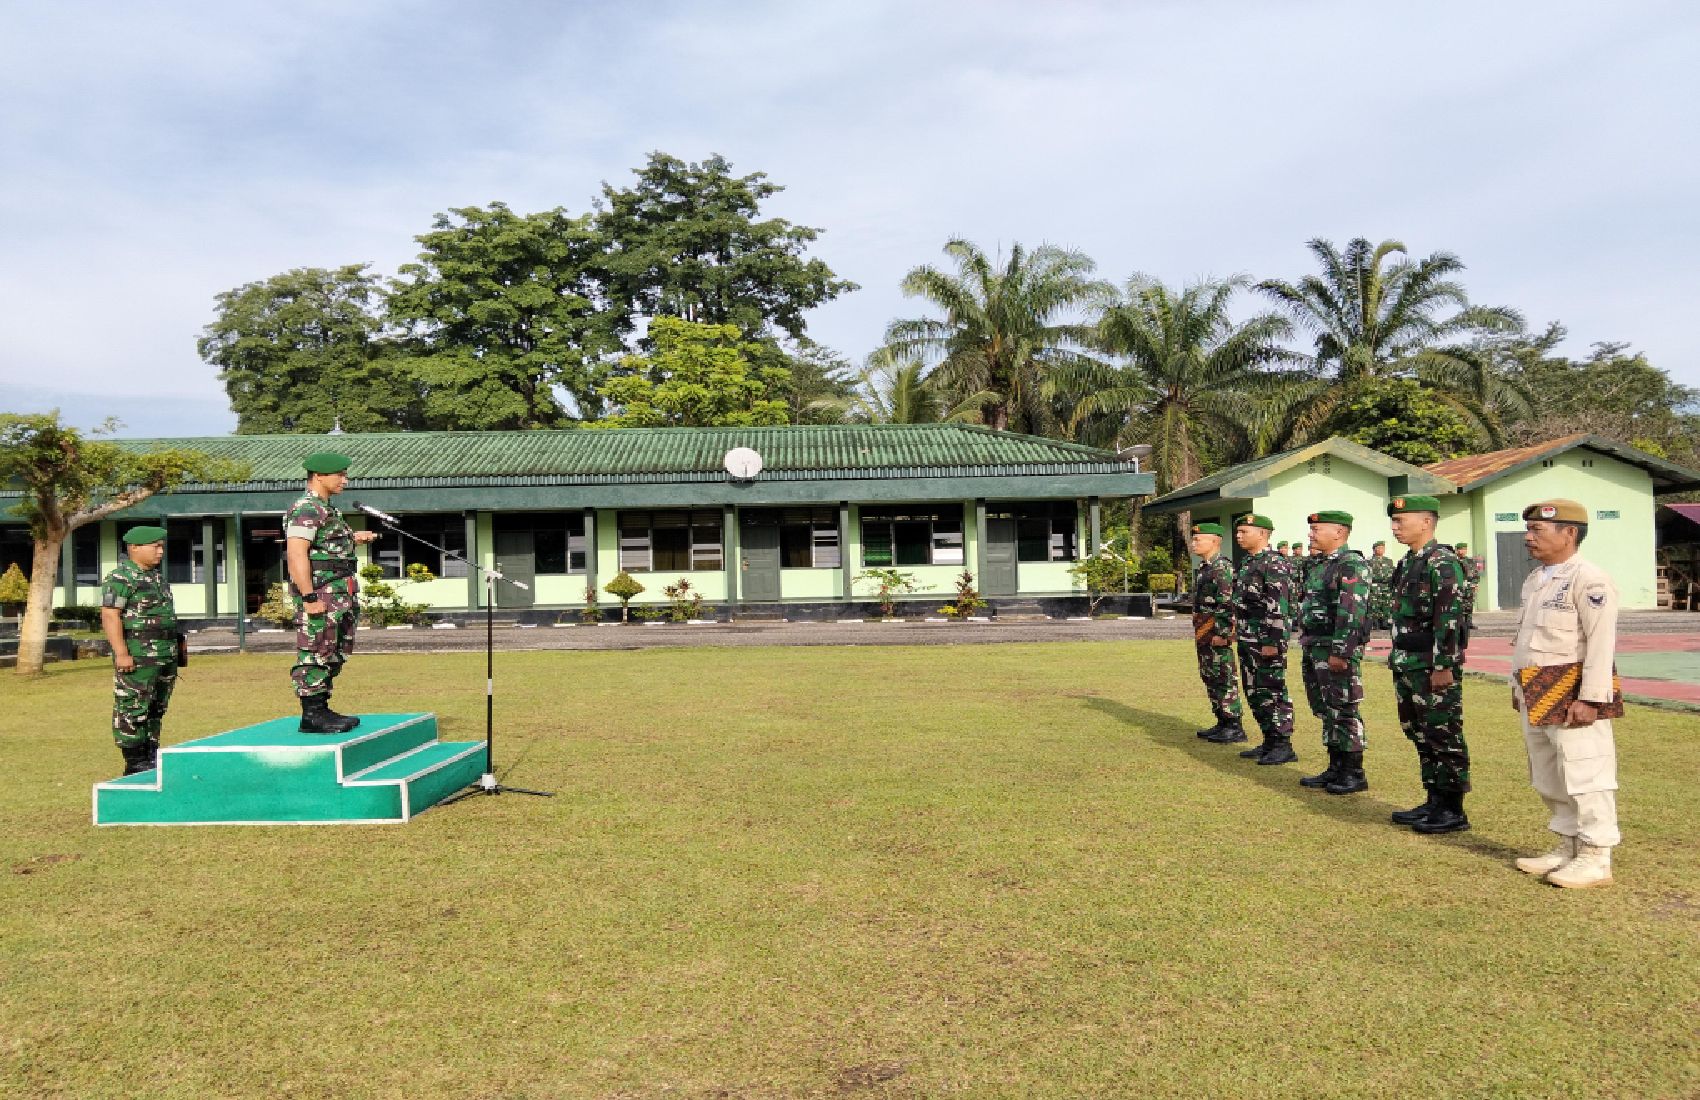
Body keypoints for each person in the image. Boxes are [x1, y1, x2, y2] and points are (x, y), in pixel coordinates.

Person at [1509, 499, 1622, 889]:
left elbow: (1601, 642)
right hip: (1536, 687)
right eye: (1529, 530)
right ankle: (1567, 844)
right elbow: (1526, 638)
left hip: (1572, 690)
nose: (1528, 538)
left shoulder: (1589, 579)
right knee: (1549, 773)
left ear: (1569, 533)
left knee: (1586, 771)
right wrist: (1516, 685)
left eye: (1537, 530)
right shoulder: (1537, 579)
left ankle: (1595, 855)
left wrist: (1591, 698)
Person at [1385, 496, 1471, 833]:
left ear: (1426, 522)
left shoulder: (1443, 563)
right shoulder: (1409, 562)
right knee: (1419, 732)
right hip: (1408, 662)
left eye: (1400, 521)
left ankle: (1452, 808)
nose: (1394, 528)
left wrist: (1444, 665)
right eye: (1393, 521)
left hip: (1432, 665)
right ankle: (1434, 799)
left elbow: (1449, 618)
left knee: (1443, 733)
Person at [286, 451, 379, 734]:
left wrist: (352, 538)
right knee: (316, 649)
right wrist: (309, 597)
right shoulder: (307, 508)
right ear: (319, 476)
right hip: (322, 595)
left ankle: (322, 707)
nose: (345, 480)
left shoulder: (328, 510)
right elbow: (296, 554)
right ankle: (312, 714)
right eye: (340, 475)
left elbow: (325, 546)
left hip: (340, 593)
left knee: (335, 650)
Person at [1295, 511, 1372, 794]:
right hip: (1315, 645)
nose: (1311, 534)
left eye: (1317, 529)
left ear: (1339, 533)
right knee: (1325, 708)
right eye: (1311, 529)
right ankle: (1335, 766)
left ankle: (1353, 771)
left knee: (1344, 708)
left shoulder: (1351, 564)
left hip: (1335, 648)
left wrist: (1341, 651)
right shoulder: (1317, 565)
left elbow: (1352, 611)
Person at [100, 526, 184, 775]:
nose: (160, 551)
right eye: (155, 546)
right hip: (137, 656)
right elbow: (110, 614)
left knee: (157, 707)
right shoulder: (121, 577)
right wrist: (122, 653)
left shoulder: (156, 577)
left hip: (163, 655)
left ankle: (150, 752)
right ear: (134, 547)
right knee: (132, 706)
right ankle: (134, 759)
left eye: (161, 546)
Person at [1220, 513, 1297, 764]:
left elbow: (1279, 607)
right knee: (1254, 690)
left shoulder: (1274, 563)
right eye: (1238, 532)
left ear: (1262, 534)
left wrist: (1272, 642)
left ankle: (1283, 744)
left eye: (1244, 532)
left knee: (1272, 690)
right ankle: (1269, 740)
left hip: (1266, 640)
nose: (1239, 536)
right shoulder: (1247, 563)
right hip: (1248, 637)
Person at [1189, 522, 1244, 742]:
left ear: (1214, 541)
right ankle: (1222, 720)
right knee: (1210, 675)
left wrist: (1224, 632)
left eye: (1198, 539)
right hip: (1204, 632)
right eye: (1193, 539)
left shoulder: (1221, 568)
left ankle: (1234, 724)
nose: (1194, 543)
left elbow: (1228, 603)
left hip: (1216, 633)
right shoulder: (1206, 567)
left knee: (1223, 675)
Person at [1367, 540, 1395, 631]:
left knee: (1386, 605)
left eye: (1383, 548)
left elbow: (1393, 573)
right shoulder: (1369, 561)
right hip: (1374, 586)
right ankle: (1375, 624)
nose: (1381, 550)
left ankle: (1385, 623)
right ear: (1374, 549)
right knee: (1374, 605)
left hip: (1386, 586)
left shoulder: (1389, 561)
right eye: (1379, 548)